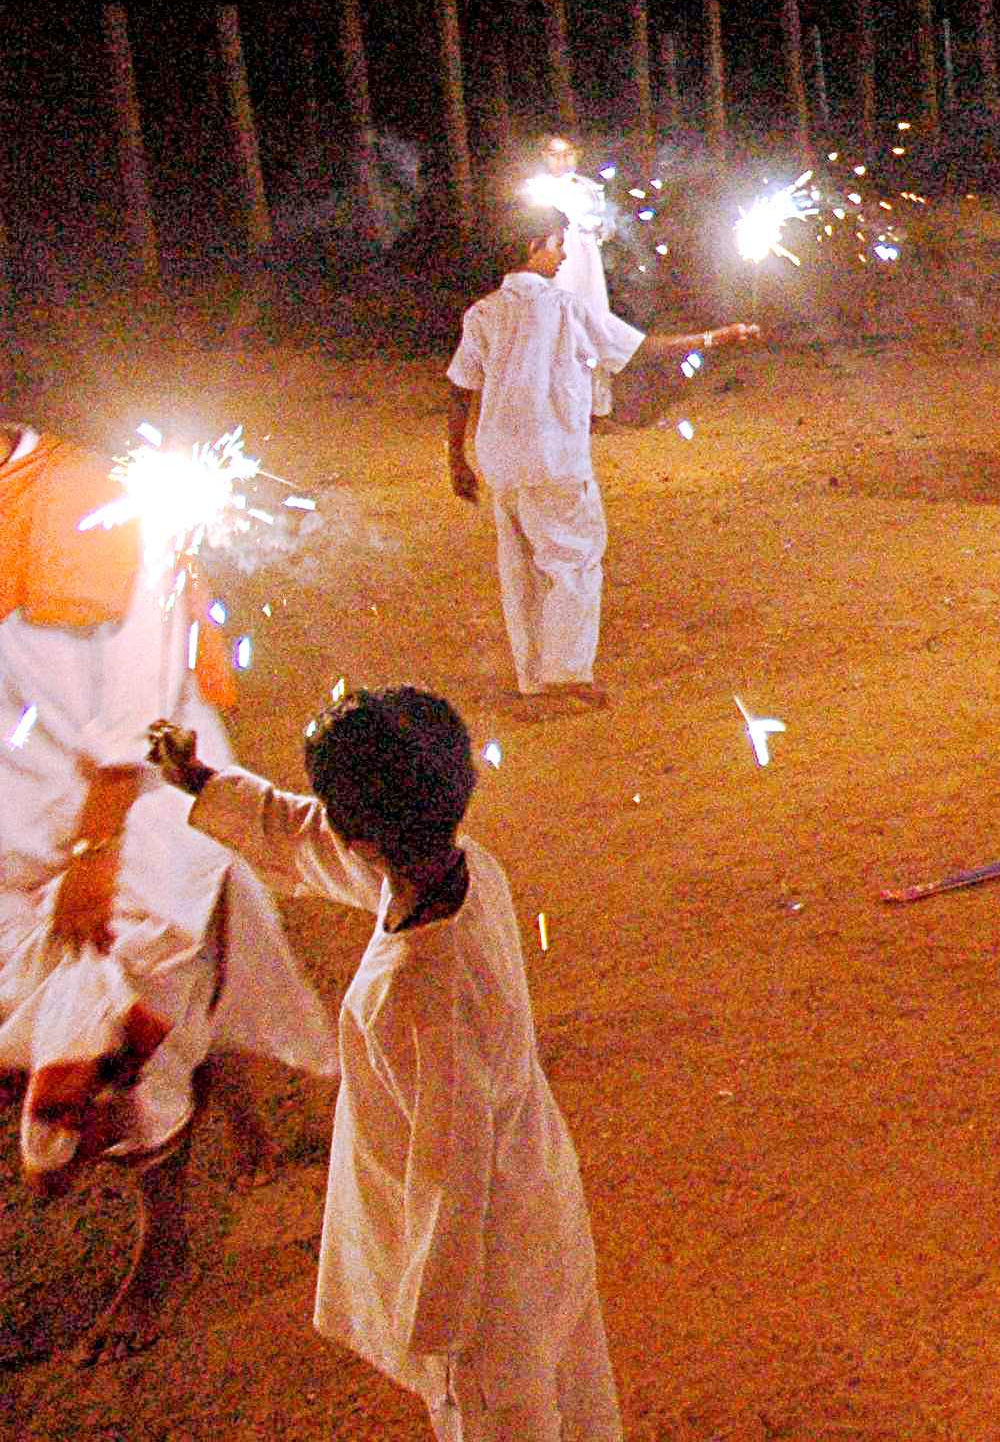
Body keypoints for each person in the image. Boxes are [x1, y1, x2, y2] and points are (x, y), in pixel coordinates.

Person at [156, 689, 625, 1442]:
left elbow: (452, 1176)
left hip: (486, 1284)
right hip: (536, 1203)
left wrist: (434, 1328)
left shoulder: (419, 992)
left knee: (509, 1415)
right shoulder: (465, 867)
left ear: (364, 839)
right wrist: (205, 784)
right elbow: (317, 842)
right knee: (574, 1393)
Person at [1, 421, 335, 1360]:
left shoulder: (95, 501)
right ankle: (234, 1115)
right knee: (141, 1004)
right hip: (19, 823)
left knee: (124, 1025)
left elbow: (142, 700)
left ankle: (164, 1244)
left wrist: (96, 848)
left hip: (129, 816)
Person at [447, 221, 763, 706]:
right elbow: (639, 350)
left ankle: (533, 679)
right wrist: (713, 338)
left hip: (501, 458)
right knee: (573, 560)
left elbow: (460, 386)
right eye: (558, 246)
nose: (564, 257)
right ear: (533, 246)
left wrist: (456, 458)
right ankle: (567, 677)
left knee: (520, 570)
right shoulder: (565, 307)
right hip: (554, 454)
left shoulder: (483, 312)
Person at [524, 137, 618, 417]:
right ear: (544, 156)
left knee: (591, 328)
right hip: (554, 271)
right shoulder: (536, 190)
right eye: (555, 154)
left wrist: (599, 225)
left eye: (568, 154)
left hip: (587, 271)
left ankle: (596, 409)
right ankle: (555, 408)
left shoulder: (591, 188)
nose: (562, 160)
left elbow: (608, 229)